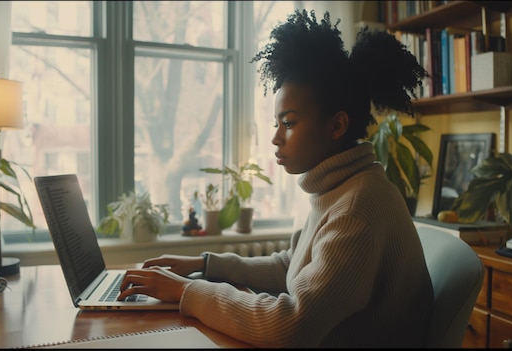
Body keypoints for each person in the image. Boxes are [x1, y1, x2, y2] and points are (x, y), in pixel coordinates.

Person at [118, 9, 434, 348]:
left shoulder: (358, 206)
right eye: (276, 124)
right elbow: (293, 267)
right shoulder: (343, 188)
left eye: (290, 123)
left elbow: (291, 325)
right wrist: (203, 265)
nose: (276, 138)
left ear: (337, 125)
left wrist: (186, 290)